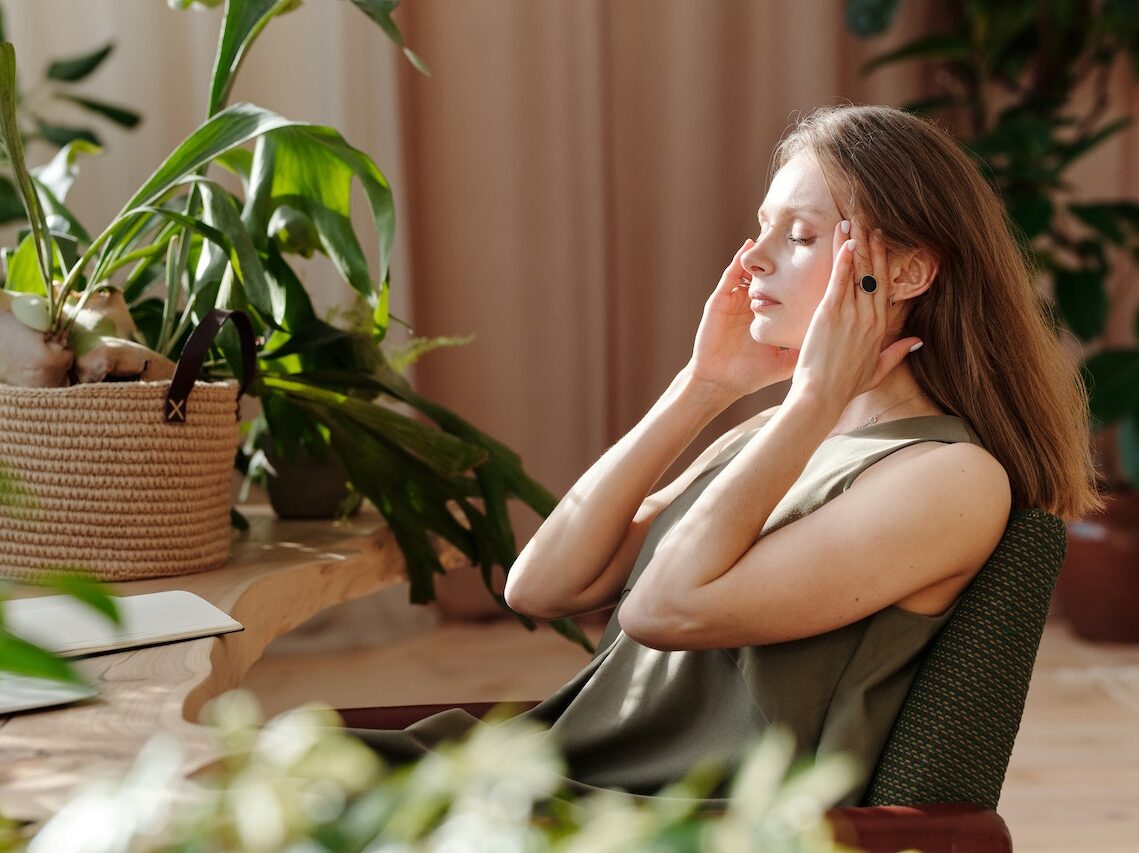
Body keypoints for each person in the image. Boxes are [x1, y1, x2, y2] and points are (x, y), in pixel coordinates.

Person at [353, 104, 1100, 806]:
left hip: (650, 818)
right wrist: (700, 387)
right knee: (243, 759)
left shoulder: (947, 478)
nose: (751, 262)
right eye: (758, 229)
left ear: (905, 272)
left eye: (799, 236)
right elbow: (538, 587)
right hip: (542, 770)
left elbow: (660, 608)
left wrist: (807, 404)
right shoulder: (771, 436)